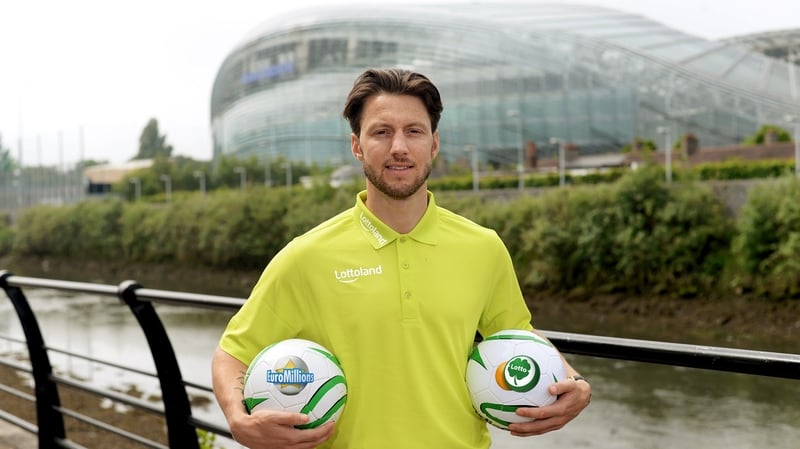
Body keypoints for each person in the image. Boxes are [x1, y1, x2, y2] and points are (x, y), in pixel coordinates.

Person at [211, 67, 591, 449]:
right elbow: (233, 355)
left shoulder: (484, 247)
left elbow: (518, 335)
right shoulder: (305, 256)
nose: (399, 147)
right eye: (381, 132)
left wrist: (573, 383)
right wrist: (238, 418)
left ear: (434, 143)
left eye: (414, 131)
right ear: (357, 146)